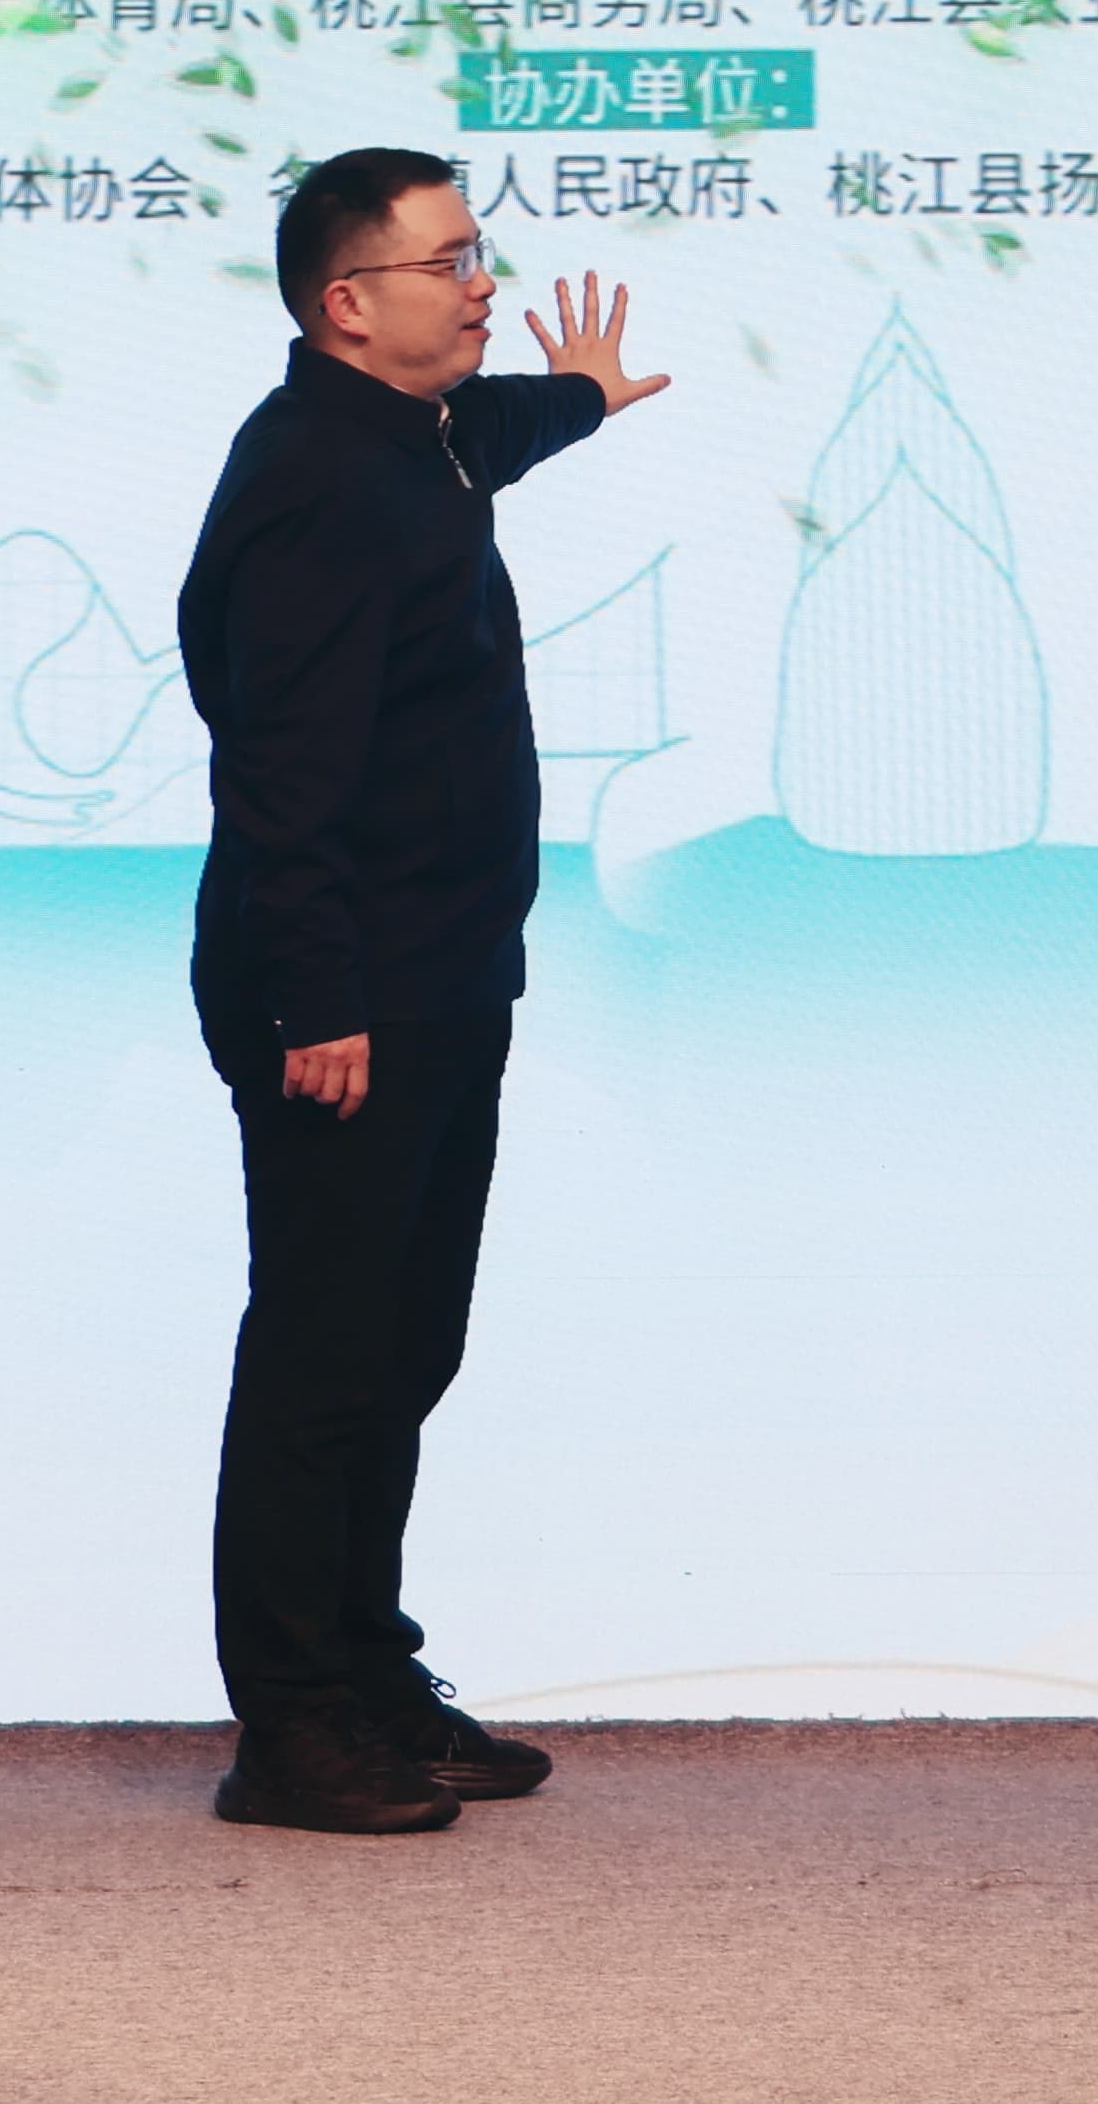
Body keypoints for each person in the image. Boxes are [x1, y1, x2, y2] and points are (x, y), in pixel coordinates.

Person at [179, 147, 660, 1836]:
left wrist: (578, 400)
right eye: (448, 262)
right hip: (346, 998)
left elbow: (485, 434)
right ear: (344, 304)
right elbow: (281, 772)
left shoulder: (415, 435)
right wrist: (318, 998)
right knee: (323, 1360)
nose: (483, 285)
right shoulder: (312, 481)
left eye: (479, 253)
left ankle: (367, 1675)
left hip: (442, 972)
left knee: (401, 1347)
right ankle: (291, 1726)